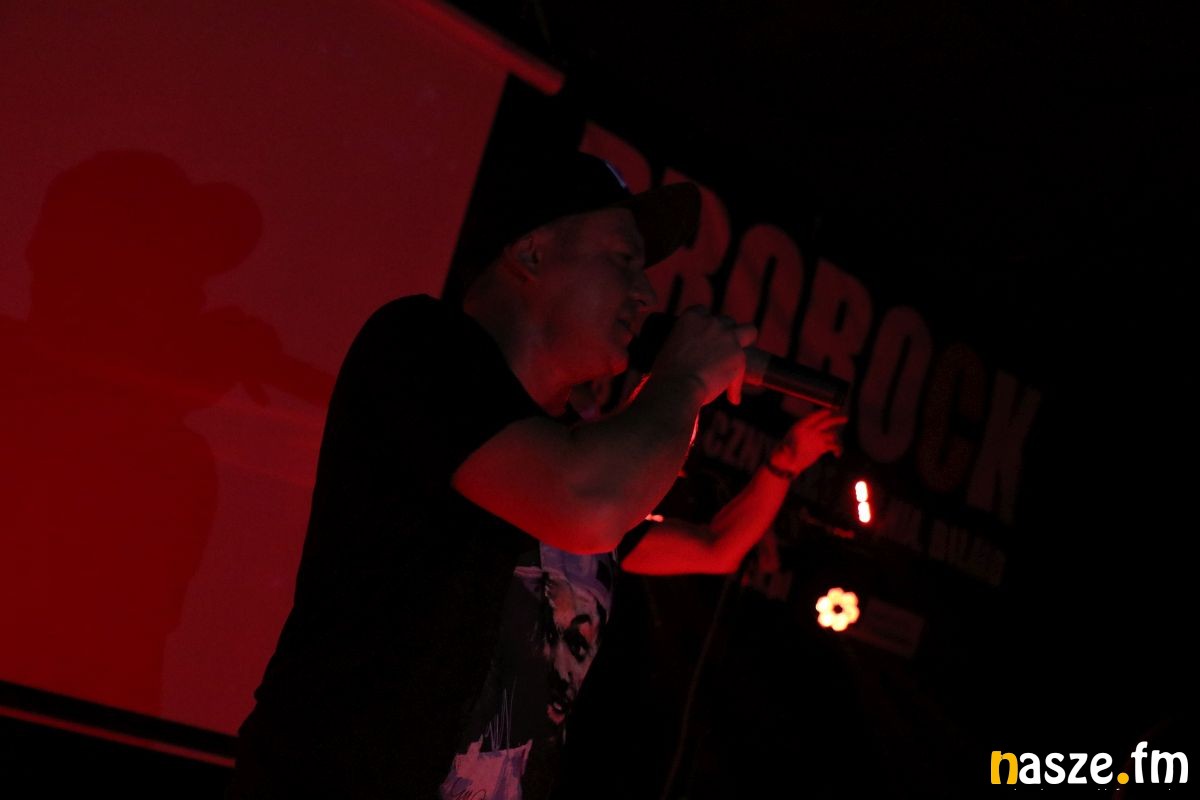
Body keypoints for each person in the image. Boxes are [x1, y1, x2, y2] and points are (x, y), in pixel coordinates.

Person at [227, 149, 843, 799]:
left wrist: (781, 463)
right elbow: (589, 500)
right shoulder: (424, 348)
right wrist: (683, 381)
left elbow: (714, 547)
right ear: (531, 253)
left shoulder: (572, 452)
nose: (646, 294)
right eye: (624, 259)